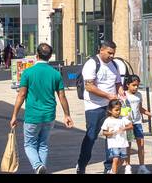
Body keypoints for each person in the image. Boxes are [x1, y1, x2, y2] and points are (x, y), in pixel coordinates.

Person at [8, 43, 73, 174]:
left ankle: (37, 166)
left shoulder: (27, 73)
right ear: (49, 57)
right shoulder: (55, 74)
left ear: (36, 55)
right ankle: (40, 169)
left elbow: (21, 95)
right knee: (43, 144)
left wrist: (14, 115)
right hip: (49, 115)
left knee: (29, 144)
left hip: (33, 115)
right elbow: (62, 96)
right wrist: (67, 115)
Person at [76, 40, 125, 174]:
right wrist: (108, 96)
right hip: (94, 106)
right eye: (109, 53)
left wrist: (120, 91)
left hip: (110, 107)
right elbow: (89, 86)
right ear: (101, 50)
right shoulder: (92, 63)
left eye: (113, 54)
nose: (111, 56)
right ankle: (82, 164)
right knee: (91, 136)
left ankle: (108, 167)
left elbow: (118, 83)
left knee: (112, 136)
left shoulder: (114, 64)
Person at [121, 75, 150, 173]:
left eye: (137, 85)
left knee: (141, 144)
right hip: (128, 123)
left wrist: (150, 114)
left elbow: (140, 108)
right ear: (128, 85)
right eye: (133, 85)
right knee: (128, 145)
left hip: (137, 123)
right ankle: (127, 166)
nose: (136, 87)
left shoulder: (139, 95)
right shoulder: (123, 95)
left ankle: (142, 166)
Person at [100, 99, 131, 175]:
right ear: (110, 111)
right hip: (113, 143)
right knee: (116, 159)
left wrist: (124, 128)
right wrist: (109, 133)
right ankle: (114, 172)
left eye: (119, 110)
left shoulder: (123, 119)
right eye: (116, 110)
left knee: (123, 159)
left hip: (123, 143)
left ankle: (113, 171)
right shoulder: (108, 120)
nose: (118, 112)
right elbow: (103, 132)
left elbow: (130, 126)